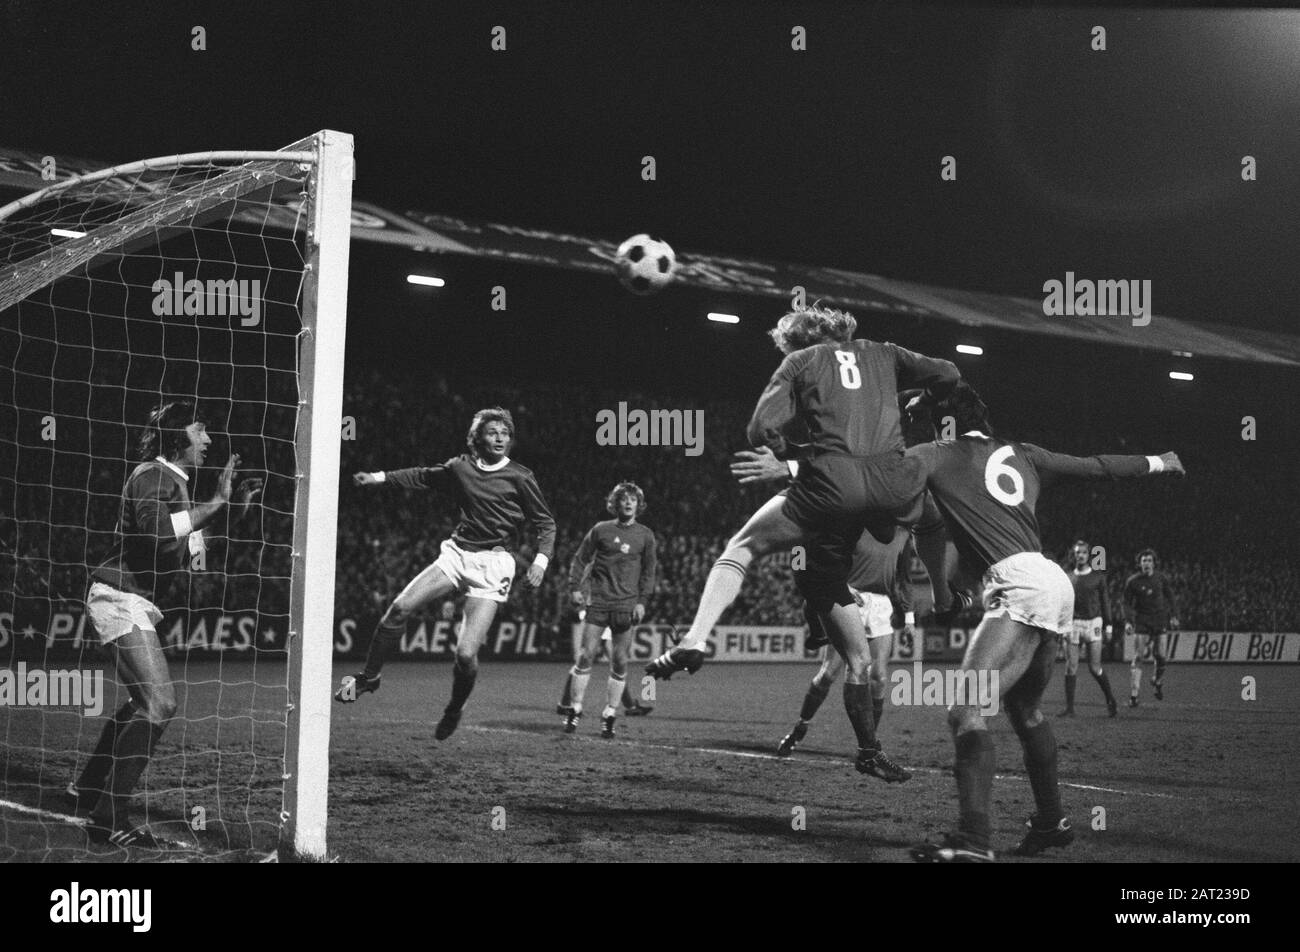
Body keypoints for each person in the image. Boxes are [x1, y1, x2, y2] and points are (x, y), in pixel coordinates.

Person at [647, 304, 959, 783]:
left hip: (831, 488)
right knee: (925, 533)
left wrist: (794, 457)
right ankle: (872, 745)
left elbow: (759, 430)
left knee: (743, 548)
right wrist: (919, 398)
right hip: (892, 486)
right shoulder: (886, 353)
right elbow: (950, 373)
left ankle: (694, 640)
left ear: (797, 340)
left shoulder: (800, 362)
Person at [905, 383, 1184, 862]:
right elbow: (1095, 466)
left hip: (1020, 585)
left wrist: (792, 467)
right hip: (1052, 580)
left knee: (965, 711)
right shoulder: (1024, 453)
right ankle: (1051, 822)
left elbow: (868, 476)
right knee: (1025, 710)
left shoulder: (934, 454)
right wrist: (1159, 461)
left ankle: (973, 841)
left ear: (940, 424)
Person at [76, 400, 262, 847]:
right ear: (179, 435)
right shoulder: (151, 475)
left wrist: (234, 511)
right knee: (160, 704)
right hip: (118, 596)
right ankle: (108, 816)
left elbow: (193, 549)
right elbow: (157, 534)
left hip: (132, 599)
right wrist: (216, 502)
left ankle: (88, 788)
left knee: (140, 702)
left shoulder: (174, 484)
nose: (208, 440)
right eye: (201, 430)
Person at [335, 407, 556, 742]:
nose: (499, 438)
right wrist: (378, 477)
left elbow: (546, 524)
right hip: (456, 554)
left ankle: (455, 707)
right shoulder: (460, 467)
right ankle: (369, 677)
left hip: (493, 567)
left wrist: (540, 561)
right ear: (478, 436)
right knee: (398, 609)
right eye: (492, 431)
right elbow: (423, 475)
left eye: (505, 433)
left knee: (465, 655)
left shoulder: (520, 476)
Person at [557, 481, 657, 738]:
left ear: (638, 505)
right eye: (623, 499)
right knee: (585, 655)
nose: (628, 503)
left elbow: (648, 573)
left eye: (632, 499)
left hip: (625, 605)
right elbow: (580, 559)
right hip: (598, 602)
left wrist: (642, 602)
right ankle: (574, 708)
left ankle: (610, 713)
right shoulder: (601, 530)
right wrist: (575, 588)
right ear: (615, 503)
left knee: (620, 660)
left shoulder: (645, 535)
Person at [1060, 539, 1119, 717]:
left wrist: (1108, 625)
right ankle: (1070, 708)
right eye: (1078, 552)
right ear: (1074, 555)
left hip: (1094, 623)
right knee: (1071, 667)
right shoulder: (1068, 577)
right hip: (1073, 624)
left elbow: (1105, 601)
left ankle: (1110, 699)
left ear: (1088, 555)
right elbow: (1063, 603)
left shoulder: (1098, 577)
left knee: (1095, 668)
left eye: (1084, 552)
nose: (1081, 555)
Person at [1123, 549, 1179, 706]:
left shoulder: (1161, 578)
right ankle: (1134, 696)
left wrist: (1174, 616)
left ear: (1154, 563)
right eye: (1143, 561)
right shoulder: (1133, 581)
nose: (1146, 563)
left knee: (1161, 656)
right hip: (1142, 620)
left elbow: (1171, 596)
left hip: (1159, 620)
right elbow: (1126, 602)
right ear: (1139, 563)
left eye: (1149, 560)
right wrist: (1128, 621)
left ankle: (1157, 680)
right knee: (1138, 657)